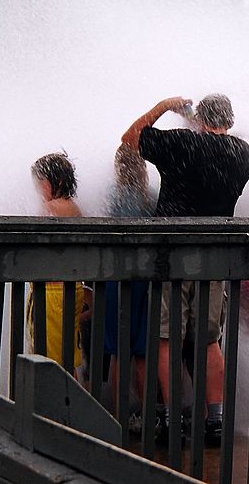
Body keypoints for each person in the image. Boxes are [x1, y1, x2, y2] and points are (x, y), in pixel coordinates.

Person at [122, 93, 249, 443]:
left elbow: (130, 138)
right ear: (230, 121)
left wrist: (165, 106)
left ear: (198, 119)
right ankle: (215, 422)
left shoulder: (182, 143)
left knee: (166, 338)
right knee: (208, 341)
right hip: (214, 257)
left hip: (172, 255)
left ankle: (172, 419)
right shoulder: (243, 153)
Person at [102, 144, 156, 424]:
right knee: (143, 351)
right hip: (145, 280)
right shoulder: (152, 199)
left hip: (117, 279)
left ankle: (120, 414)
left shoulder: (112, 197)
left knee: (118, 351)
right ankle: (147, 414)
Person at [28, 153, 90, 378]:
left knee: (50, 362)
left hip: (53, 293)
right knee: (67, 358)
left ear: (58, 181)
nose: (37, 189)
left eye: (41, 183)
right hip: (70, 289)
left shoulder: (52, 208)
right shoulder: (73, 207)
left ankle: (58, 411)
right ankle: (73, 409)